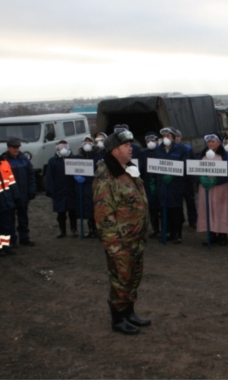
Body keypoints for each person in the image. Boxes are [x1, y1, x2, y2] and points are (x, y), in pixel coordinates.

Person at [93, 130, 150, 335]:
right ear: (115, 150)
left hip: (136, 238)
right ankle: (118, 318)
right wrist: (113, 246)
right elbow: (103, 215)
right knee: (120, 279)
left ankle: (129, 312)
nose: (130, 148)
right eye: (126, 145)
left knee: (133, 277)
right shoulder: (106, 176)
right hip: (120, 242)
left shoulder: (129, 169)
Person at [196, 133, 228, 246]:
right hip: (205, 188)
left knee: (221, 210)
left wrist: (216, 180)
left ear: (218, 142)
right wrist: (200, 178)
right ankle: (211, 234)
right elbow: (194, 168)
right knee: (208, 210)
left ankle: (222, 234)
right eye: (209, 142)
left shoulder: (225, 155)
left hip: (220, 187)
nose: (210, 144)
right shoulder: (202, 154)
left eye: (213, 141)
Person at [154, 127, 189, 244]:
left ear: (174, 138)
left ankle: (177, 233)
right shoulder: (158, 150)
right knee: (164, 209)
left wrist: (173, 175)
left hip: (175, 184)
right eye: (164, 136)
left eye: (168, 136)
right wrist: (154, 181)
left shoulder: (181, 149)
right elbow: (154, 166)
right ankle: (167, 231)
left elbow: (185, 165)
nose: (165, 138)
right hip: (162, 183)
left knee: (176, 209)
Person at [2, 137, 37, 247]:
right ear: (8, 148)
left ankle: (24, 238)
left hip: (23, 194)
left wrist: (32, 190)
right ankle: (12, 240)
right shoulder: (3, 160)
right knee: (10, 219)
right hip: (10, 195)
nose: (16, 150)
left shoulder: (24, 159)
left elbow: (31, 175)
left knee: (23, 217)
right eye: (13, 147)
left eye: (17, 147)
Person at [45, 140, 78, 238]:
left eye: (65, 145)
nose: (63, 148)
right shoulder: (53, 161)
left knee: (73, 212)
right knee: (61, 213)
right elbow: (49, 177)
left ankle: (74, 230)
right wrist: (50, 191)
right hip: (59, 191)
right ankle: (62, 230)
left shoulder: (74, 159)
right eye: (61, 146)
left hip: (71, 190)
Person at [74, 135, 99, 238]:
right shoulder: (78, 157)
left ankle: (97, 229)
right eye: (85, 142)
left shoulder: (98, 156)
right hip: (84, 186)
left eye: (89, 142)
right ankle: (91, 229)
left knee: (97, 207)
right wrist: (76, 175)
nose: (87, 144)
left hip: (96, 185)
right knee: (87, 208)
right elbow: (73, 168)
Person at [139, 132, 161, 238]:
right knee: (152, 208)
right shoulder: (144, 153)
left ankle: (165, 229)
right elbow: (141, 168)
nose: (150, 143)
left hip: (160, 182)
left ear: (157, 141)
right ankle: (155, 229)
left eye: (153, 141)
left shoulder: (161, 151)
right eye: (148, 141)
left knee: (162, 207)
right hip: (148, 183)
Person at [175, 129, 197, 229]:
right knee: (177, 201)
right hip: (175, 179)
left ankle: (193, 220)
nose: (176, 139)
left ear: (181, 138)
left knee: (190, 200)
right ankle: (180, 220)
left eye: (178, 137)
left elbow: (194, 162)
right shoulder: (170, 149)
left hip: (187, 178)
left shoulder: (187, 148)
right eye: (174, 137)